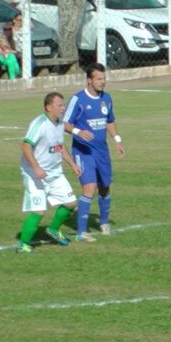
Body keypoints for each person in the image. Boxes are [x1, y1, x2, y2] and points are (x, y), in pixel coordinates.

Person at [63, 63, 126, 241]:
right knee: (89, 187)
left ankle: (103, 222)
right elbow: (65, 123)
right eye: (99, 79)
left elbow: (109, 121)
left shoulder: (106, 98)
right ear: (89, 80)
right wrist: (78, 132)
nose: (102, 82)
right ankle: (81, 232)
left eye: (104, 78)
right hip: (83, 152)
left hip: (102, 151)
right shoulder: (78, 99)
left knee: (105, 187)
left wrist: (117, 140)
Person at [17, 92, 81, 253]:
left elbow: (60, 146)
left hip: (54, 172)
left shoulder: (59, 123)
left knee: (71, 203)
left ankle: (53, 230)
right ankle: (23, 244)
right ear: (48, 107)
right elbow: (25, 146)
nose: (63, 107)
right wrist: (37, 167)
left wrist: (72, 164)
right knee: (39, 210)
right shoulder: (39, 124)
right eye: (59, 105)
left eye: (63, 104)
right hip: (34, 173)